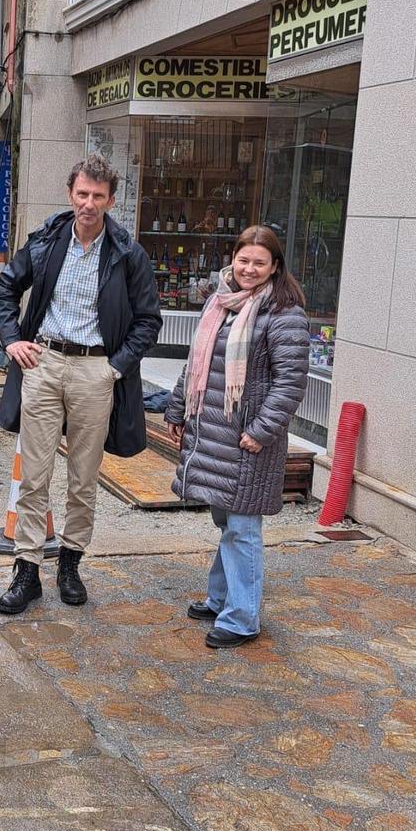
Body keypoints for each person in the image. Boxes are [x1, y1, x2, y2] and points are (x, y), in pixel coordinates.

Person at [0, 154, 161, 615]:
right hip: (44, 362)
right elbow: (6, 288)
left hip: (95, 370)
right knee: (33, 475)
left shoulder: (127, 253)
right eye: (82, 194)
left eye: (98, 196)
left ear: (110, 200)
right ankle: (26, 570)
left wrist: (115, 367)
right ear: (71, 193)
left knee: (84, 478)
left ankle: (70, 562)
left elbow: (149, 320)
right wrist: (12, 341)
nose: (89, 203)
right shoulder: (48, 241)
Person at [165, 225, 309, 648]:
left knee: (243, 527)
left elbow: (291, 383)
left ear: (274, 266)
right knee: (226, 519)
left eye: (259, 262)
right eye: (244, 259)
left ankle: (242, 617)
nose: (249, 269)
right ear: (234, 259)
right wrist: (177, 407)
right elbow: (197, 363)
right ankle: (221, 597)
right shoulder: (220, 303)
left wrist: (262, 431)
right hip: (213, 431)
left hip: (249, 440)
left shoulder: (284, 314)